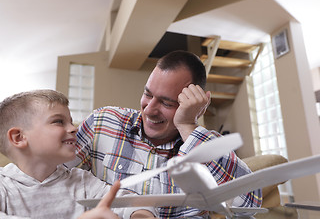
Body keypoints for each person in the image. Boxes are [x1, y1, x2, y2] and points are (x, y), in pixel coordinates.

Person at [66, 50, 263, 218]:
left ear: (199, 104)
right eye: (147, 94)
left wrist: (187, 125)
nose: (149, 110)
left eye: (167, 103)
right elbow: (51, 173)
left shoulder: (210, 149)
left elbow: (248, 205)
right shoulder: (104, 121)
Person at [0, 90, 157, 219]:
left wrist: (140, 213)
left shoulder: (81, 181)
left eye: (71, 121)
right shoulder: (4, 186)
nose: (74, 128)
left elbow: (132, 202)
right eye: (58, 121)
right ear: (19, 138)